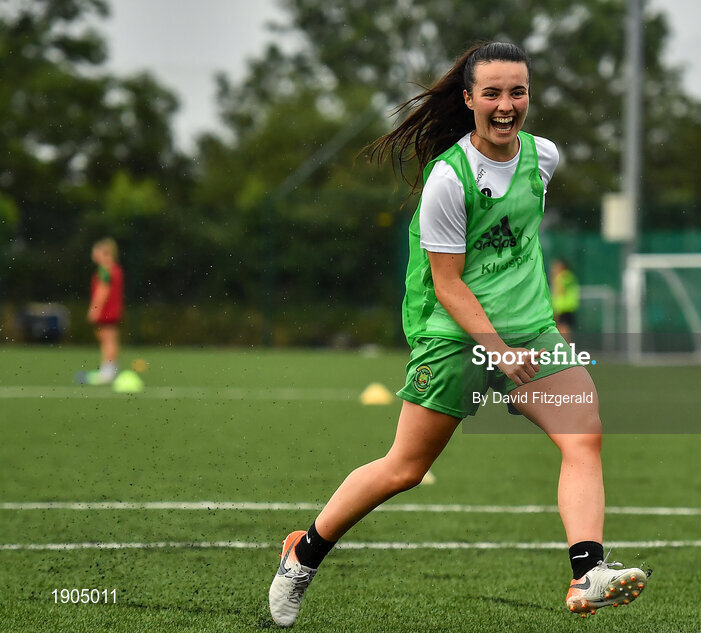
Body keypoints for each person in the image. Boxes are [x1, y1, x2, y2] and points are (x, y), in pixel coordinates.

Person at [267, 42, 647, 627]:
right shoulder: (448, 177)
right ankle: (305, 552)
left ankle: (586, 573)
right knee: (405, 468)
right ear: (468, 99)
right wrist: (496, 350)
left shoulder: (543, 158)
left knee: (583, 436)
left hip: (532, 330)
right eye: (491, 93)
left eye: (516, 91)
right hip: (452, 334)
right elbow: (447, 284)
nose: (505, 105)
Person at [85, 237, 123, 384]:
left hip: (107, 312)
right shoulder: (114, 269)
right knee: (110, 339)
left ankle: (107, 371)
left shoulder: (105, 270)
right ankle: (111, 369)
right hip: (113, 311)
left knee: (107, 340)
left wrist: (95, 309)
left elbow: (102, 291)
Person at [550, 258, 580, 343]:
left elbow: (560, 291)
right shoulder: (565, 277)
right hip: (562, 308)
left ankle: (566, 349)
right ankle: (565, 348)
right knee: (561, 329)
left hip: (565, 308)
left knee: (564, 330)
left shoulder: (564, 276)